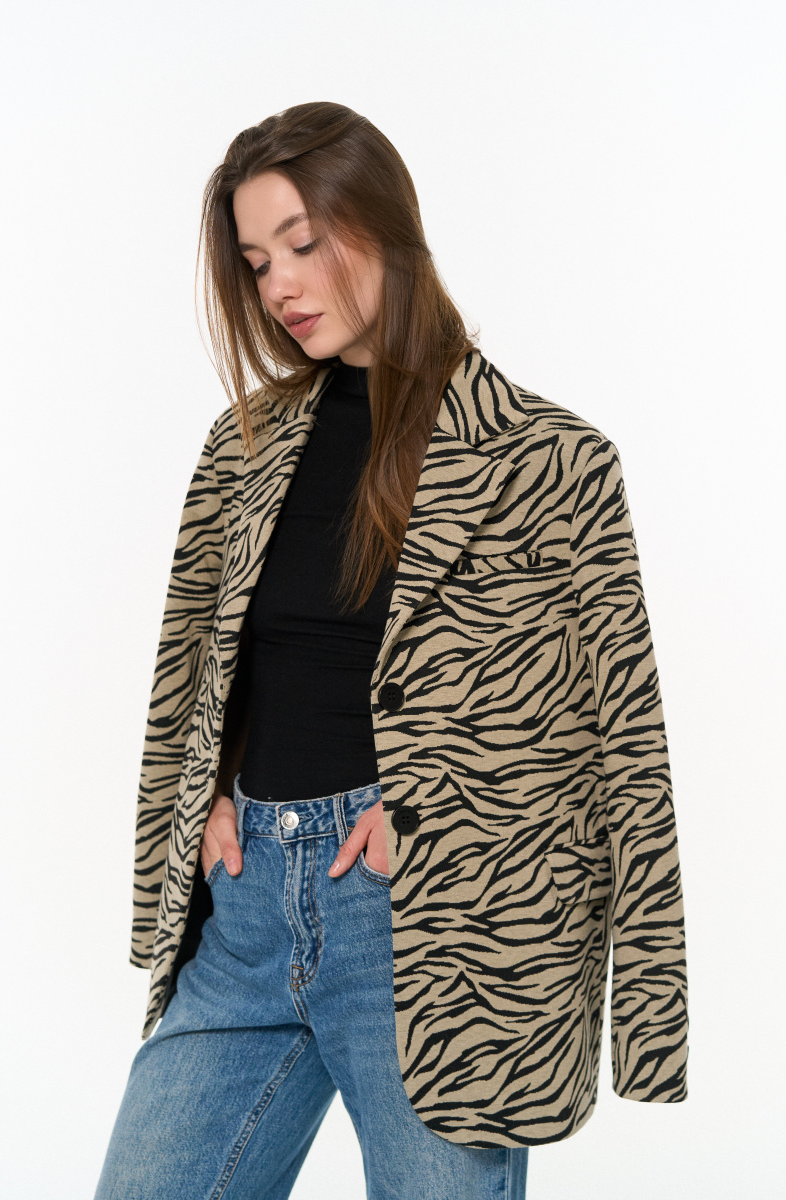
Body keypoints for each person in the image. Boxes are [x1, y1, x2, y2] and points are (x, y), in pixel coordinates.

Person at [93, 101, 688, 1200]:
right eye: (257, 262)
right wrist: (205, 804)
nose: (279, 285)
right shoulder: (242, 447)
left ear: (384, 223)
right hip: (243, 909)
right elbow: (188, 682)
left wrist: (648, 1023)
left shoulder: (549, 463)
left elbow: (623, 747)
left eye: (303, 244)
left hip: (431, 929)